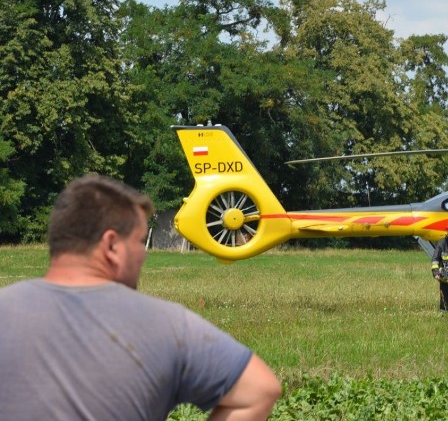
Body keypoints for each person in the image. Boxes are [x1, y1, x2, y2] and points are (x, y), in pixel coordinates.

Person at [0, 174, 282, 420]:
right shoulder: (169, 324)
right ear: (111, 245)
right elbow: (259, 390)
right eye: (138, 241)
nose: (143, 253)